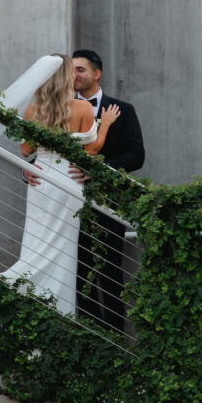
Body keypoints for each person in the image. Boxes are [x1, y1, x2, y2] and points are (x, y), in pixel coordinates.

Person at [1, 55, 120, 316]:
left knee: (36, 241)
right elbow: (91, 150)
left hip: (41, 180)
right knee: (64, 249)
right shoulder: (82, 109)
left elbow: (25, 149)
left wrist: (36, 159)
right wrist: (106, 125)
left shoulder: (34, 109)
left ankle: (27, 297)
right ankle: (60, 311)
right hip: (68, 181)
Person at [70, 49, 145, 333]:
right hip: (67, 204)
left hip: (108, 205)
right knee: (79, 273)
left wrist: (101, 170)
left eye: (80, 70)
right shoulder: (62, 107)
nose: (74, 75)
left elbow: (136, 156)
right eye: (71, 70)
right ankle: (89, 338)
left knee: (111, 271)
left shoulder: (122, 110)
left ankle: (115, 341)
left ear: (96, 74)